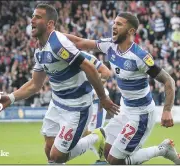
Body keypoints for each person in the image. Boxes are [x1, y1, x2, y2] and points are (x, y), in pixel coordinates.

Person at [0, 3, 120, 164]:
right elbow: (35, 85)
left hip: (76, 108)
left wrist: (103, 98)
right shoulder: (39, 49)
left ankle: (95, 138)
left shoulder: (58, 45)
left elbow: (90, 67)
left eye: (38, 17)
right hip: (57, 103)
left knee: (57, 156)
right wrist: (10, 98)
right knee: (48, 148)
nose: (32, 20)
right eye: (32, 17)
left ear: (50, 24)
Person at [64, 12, 180, 165]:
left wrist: (166, 110)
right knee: (106, 152)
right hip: (125, 109)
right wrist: (52, 35)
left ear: (131, 31)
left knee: (115, 160)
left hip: (141, 114)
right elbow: (80, 42)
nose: (114, 26)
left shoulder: (139, 56)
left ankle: (163, 149)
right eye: (114, 23)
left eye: (119, 24)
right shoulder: (109, 45)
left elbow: (169, 81)